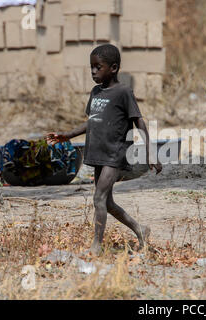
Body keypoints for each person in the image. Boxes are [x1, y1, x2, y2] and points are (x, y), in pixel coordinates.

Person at [46, 44, 161, 255]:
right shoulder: (96, 92)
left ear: (114, 68)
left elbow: (139, 122)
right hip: (98, 153)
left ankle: (96, 247)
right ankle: (140, 230)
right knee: (106, 202)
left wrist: (150, 152)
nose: (93, 72)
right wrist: (67, 135)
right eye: (91, 67)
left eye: (98, 67)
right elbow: (92, 120)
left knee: (98, 198)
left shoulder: (123, 92)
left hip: (115, 153)